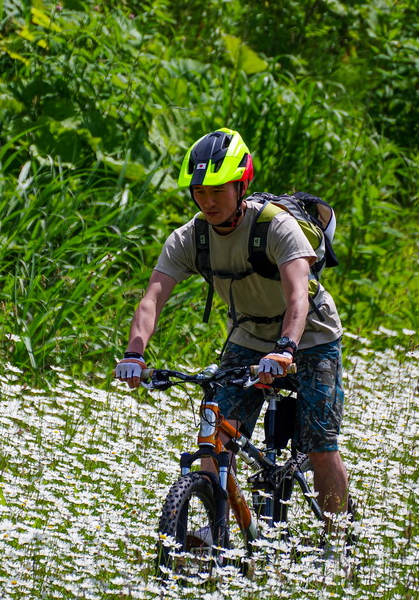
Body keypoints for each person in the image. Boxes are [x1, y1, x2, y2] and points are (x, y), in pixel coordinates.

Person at [114, 128, 350, 537]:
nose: (207, 201)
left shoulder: (275, 228)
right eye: (199, 191)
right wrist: (135, 354)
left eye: (218, 191)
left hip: (310, 336)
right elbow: (152, 297)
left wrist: (286, 349)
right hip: (248, 338)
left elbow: (298, 297)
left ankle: (337, 545)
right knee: (215, 435)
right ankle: (223, 527)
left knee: (320, 445)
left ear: (241, 185)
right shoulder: (192, 237)